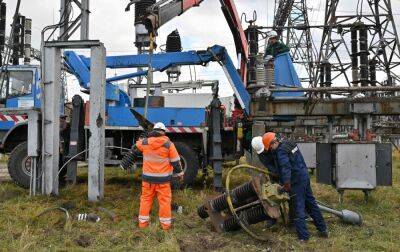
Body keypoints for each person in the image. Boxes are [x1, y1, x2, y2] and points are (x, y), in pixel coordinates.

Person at [252, 133, 328, 241]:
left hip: (295, 181)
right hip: (304, 175)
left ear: (273, 143)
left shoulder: (280, 152)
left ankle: (303, 237)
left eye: (270, 147)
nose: (271, 150)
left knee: (298, 208)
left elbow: (285, 167)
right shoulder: (289, 143)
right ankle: (323, 229)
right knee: (311, 204)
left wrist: (286, 184)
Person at [132, 122, 184, 230]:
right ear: (164, 132)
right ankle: (165, 226)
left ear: (153, 131)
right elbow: (176, 162)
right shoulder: (169, 144)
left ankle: (142, 224)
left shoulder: (145, 142)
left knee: (146, 200)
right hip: (163, 181)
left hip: (147, 180)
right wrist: (180, 174)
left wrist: (139, 140)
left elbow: (136, 146)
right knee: (164, 202)